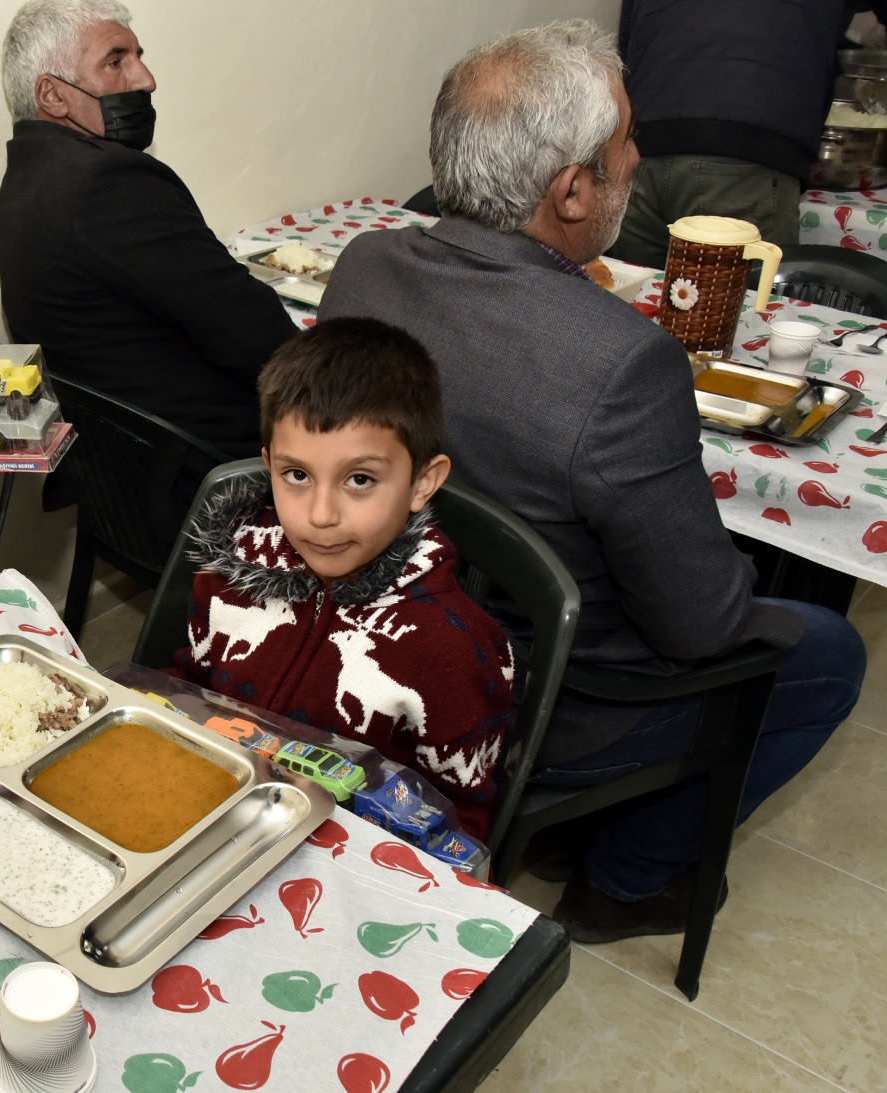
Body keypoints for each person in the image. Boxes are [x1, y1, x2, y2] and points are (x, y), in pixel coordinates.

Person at [317, 21, 864, 941]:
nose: (641, 158)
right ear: (572, 190)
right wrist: (761, 600)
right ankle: (627, 874)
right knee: (828, 650)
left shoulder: (367, 263)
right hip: (547, 694)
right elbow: (703, 624)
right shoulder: (623, 363)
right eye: (626, 142)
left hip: (395, 631)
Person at [177, 318, 514, 840]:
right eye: (297, 475)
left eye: (360, 479)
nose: (321, 514)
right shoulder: (231, 573)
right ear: (268, 466)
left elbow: (459, 826)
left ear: (422, 481)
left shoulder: (454, 648)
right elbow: (187, 690)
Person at [0, 0, 296, 459]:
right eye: (116, 62)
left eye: (138, 56)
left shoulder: (25, 177)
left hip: (119, 472)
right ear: (53, 96)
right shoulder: (110, 181)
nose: (145, 79)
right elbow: (256, 333)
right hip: (209, 462)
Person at [608, 0, 849, 269]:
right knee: (742, 305)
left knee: (628, 300)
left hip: (643, 146)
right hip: (748, 156)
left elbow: (625, 54)